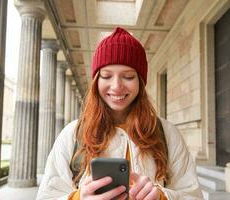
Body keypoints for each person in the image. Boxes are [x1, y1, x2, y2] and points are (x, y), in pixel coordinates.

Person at [36, 27, 203, 200]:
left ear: (141, 82)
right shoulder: (72, 134)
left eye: (128, 76)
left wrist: (162, 197)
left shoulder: (167, 133)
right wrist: (77, 198)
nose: (116, 86)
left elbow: (193, 195)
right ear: (96, 81)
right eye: (107, 76)